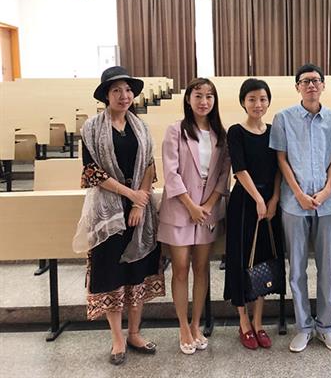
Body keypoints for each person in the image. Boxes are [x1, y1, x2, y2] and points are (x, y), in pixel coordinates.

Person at [73, 66, 164, 366]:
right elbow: (92, 172)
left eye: (127, 90)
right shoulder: (91, 129)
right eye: (116, 91)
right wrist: (130, 195)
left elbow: (149, 165)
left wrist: (139, 204)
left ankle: (134, 332)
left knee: (137, 271)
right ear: (106, 96)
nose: (124, 96)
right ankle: (117, 338)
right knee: (111, 272)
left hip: (139, 210)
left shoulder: (141, 127)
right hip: (108, 211)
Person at [269, 63, 331, 353]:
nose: (311, 85)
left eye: (315, 80)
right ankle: (303, 327)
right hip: (294, 203)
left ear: (323, 85)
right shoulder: (283, 118)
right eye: (305, 81)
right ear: (297, 87)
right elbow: (281, 159)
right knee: (297, 267)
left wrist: (326, 189)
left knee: (326, 268)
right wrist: (299, 194)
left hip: (326, 203)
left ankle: (325, 327)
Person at [158, 78, 230, 355]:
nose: (204, 101)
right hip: (180, 208)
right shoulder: (175, 130)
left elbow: (223, 175)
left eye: (209, 96)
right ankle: (182, 326)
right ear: (188, 99)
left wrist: (208, 205)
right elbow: (171, 172)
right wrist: (190, 206)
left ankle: (196, 323)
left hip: (208, 211)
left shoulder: (220, 134)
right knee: (180, 268)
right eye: (198, 95)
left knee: (201, 268)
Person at [224, 78, 285, 350]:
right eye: (252, 99)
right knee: (241, 260)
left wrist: (274, 199)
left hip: (269, 204)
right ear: (243, 102)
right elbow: (239, 169)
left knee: (264, 260)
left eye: (262, 99)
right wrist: (259, 199)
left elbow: (279, 168)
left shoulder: (273, 131)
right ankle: (243, 321)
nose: (257, 104)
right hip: (244, 203)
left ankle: (258, 322)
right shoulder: (236, 131)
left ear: (268, 101)